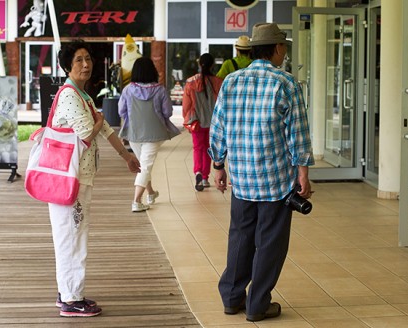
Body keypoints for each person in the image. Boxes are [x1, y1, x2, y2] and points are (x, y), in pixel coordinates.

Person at [209, 23, 314, 322]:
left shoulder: (231, 81)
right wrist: (303, 173)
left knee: (240, 238)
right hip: (276, 182)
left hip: (242, 179)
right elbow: (298, 134)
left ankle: (231, 297)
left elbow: (218, 129)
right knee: (270, 242)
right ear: (277, 49)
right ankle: (257, 305)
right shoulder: (286, 83)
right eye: (284, 47)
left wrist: (218, 165)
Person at [49, 40, 141, 317]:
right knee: (72, 236)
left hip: (78, 177)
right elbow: (88, 133)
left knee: (74, 234)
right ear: (67, 66)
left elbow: (106, 130)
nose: (85, 64)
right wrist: (98, 121)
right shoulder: (69, 96)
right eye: (78, 60)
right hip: (70, 179)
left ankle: (68, 291)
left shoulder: (83, 96)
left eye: (87, 59)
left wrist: (127, 157)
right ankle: (70, 299)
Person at [118, 57, 180, 212]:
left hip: (133, 133)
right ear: (152, 71)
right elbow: (168, 112)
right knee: (145, 166)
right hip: (154, 133)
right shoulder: (160, 90)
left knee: (143, 165)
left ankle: (151, 193)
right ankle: (136, 201)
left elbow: (121, 111)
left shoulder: (127, 90)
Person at [182, 53, 223, 191]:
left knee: (197, 148)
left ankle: (198, 172)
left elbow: (186, 105)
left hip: (197, 122)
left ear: (200, 64)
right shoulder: (218, 81)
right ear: (212, 65)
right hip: (213, 122)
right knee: (208, 148)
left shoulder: (190, 83)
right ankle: (205, 177)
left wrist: (187, 119)